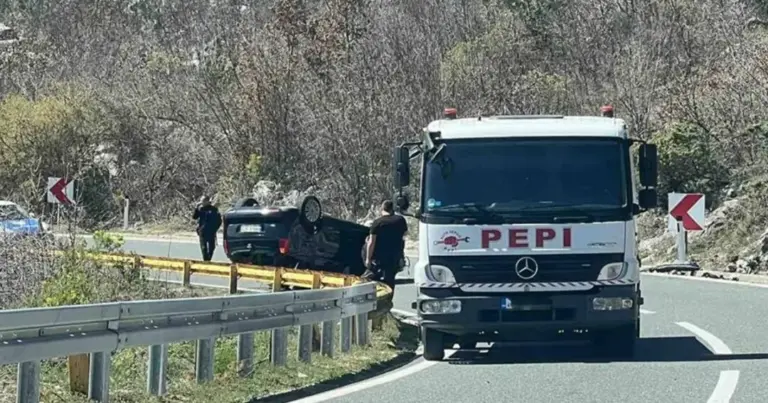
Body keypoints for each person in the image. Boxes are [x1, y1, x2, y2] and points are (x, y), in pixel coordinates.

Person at [362, 200, 408, 290]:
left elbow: (371, 242)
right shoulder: (400, 220)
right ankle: (388, 300)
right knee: (390, 281)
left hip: (380, 259)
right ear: (392, 209)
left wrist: (368, 259)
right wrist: (402, 256)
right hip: (394, 257)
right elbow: (403, 238)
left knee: (374, 281)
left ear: (382, 208)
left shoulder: (378, 223)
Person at [193, 195, 222, 262]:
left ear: (207, 201)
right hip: (202, 231)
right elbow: (194, 217)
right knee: (204, 248)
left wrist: (215, 229)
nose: (201, 202)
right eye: (201, 201)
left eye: (202, 201)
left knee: (212, 247)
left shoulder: (214, 209)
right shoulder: (200, 209)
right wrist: (196, 208)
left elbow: (219, 221)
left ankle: (208, 259)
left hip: (211, 231)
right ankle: (206, 261)